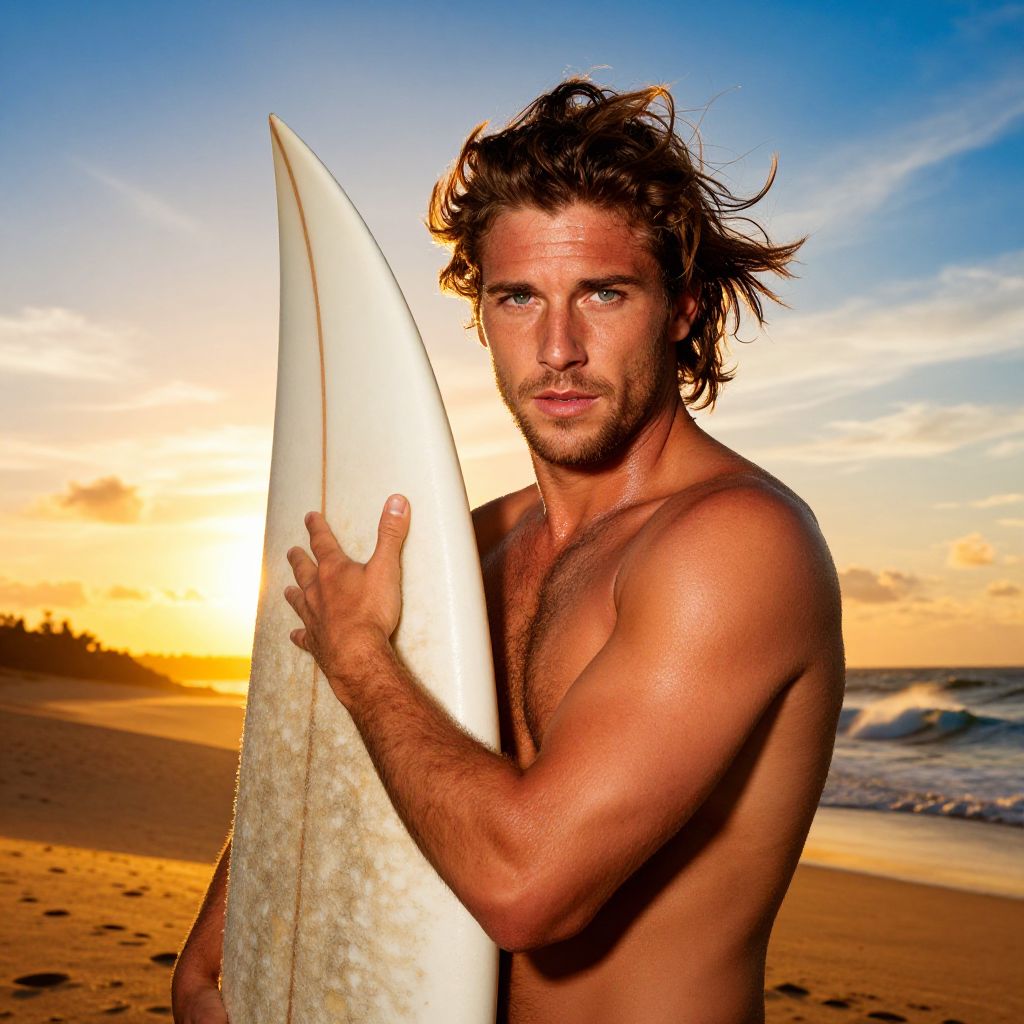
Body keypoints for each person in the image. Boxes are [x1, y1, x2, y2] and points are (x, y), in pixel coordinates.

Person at [172, 79, 845, 1024]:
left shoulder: (736, 545)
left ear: (682, 309)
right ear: (481, 312)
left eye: (603, 294)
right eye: (519, 297)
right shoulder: (471, 542)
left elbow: (529, 886)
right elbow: (337, 759)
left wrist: (362, 656)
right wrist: (215, 958)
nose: (558, 348)